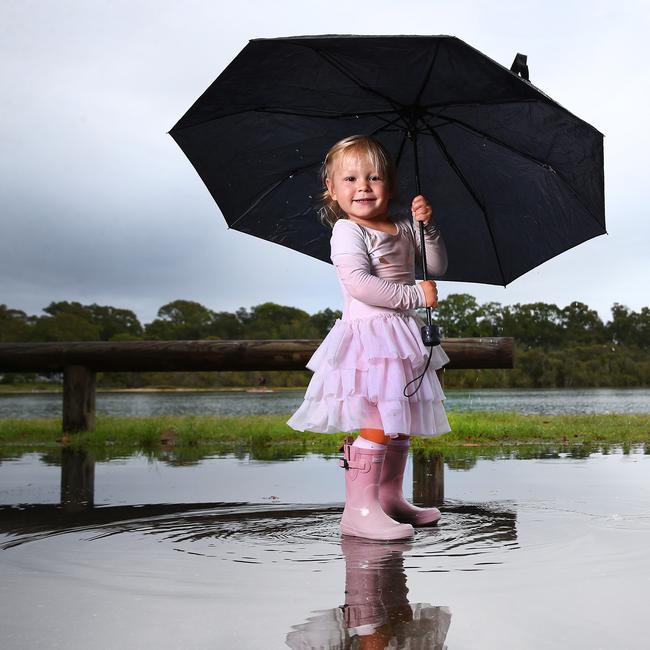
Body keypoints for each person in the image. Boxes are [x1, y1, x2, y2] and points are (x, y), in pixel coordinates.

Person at [287, 135, 450, 541]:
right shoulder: (346, 231)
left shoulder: (403, 227)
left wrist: (427, 228)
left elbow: (436, 265)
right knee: (378, 420)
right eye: (351, 178)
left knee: (400, 422)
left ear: (390, 185)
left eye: (374, 177)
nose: (363, 186)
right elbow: (360, 284)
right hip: (369, 340)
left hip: (402, 337)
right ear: (332, 190)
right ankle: (358, 510)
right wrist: (415, 294)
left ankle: (388, 498)